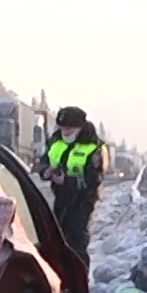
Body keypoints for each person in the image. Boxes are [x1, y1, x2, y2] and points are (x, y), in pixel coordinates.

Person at [41, 106, 107, 258]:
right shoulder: (55, 142)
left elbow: (94, 178)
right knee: (55, 238)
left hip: (82, 200)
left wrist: (67, 180)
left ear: (80, 128)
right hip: (58, 197)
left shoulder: (93, 147)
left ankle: (79, 275)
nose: (66, 133)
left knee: (76, 240)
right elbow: (43, 161)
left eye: (69, 129)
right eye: (63, 128)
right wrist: (46, 171)